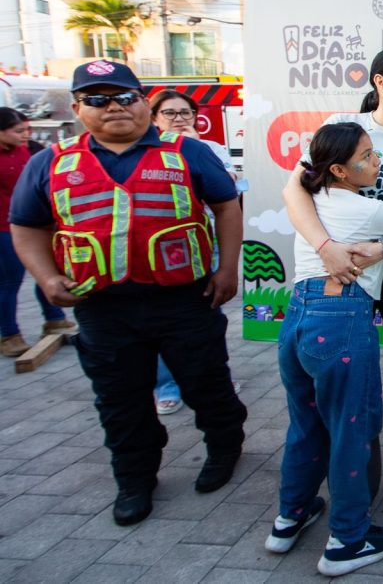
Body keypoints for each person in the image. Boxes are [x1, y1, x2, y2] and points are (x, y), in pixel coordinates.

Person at [9, 61, 247, 525]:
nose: (114, 107)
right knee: (120, 399)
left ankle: (224, 447)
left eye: (124, 97)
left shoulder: (188, 153)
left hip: (185, 299)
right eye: (97, 99)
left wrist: (227, 268)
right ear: (77, 109)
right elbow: (26, 225)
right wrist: (47, 277)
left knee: (207, 383)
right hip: (102, 307)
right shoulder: (52, 162)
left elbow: (225, 205)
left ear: (142, 102)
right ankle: (135, 476)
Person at [282, 47, 383, 513]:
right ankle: (359, 484)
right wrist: (324, 247)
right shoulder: (342, 124)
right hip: (344, 269)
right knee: (353, 379)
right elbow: (295, 188)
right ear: (380, 82)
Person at [267, 122, 383, 575]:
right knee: (352, 429)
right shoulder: (372, 210)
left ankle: (289, 518)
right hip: (342, 319)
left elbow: (295, 182)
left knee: (305, 424)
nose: (377, 161)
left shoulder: (309, 198)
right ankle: (348, 539)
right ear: (339, 170)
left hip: (297, 316)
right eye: (367, 157)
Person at [148, 90, 242, 415]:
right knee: (160, 322)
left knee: (207, 317)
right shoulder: (147, 153)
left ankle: (216, 380)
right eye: (170, 113)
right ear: (154, 118)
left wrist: (195, 146)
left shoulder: (210, 148)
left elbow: (229, 188)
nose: (179, 119)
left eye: (185, 113)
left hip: (207, 243)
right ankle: (167, 387)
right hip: (161, 251)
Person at [1, 107, 75, 357]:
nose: (25, 135)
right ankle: (9, 334)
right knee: (9, 282)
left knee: (46, 273)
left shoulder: (25, 151)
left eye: (27, 130)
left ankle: (54, 319)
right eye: (18, 131)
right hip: (5, 228)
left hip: (40, 224)